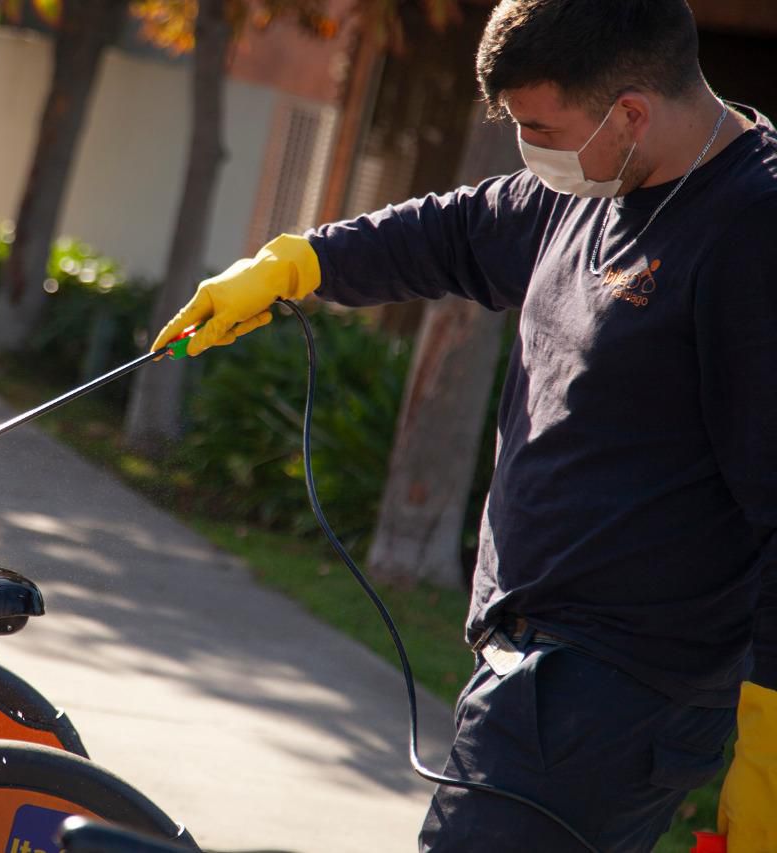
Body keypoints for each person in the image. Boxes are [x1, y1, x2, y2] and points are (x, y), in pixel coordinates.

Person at [151, 0, 777, 850]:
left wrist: (770, 738)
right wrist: (296, 263)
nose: (530, 148)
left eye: (539, 125)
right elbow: (449, 231)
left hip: (620, 694)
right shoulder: (594, 179)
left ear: (630, 111)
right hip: (527, 666)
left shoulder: (751, 230)